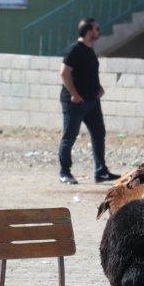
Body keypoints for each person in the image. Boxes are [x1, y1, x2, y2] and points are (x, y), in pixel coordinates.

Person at [57, 18, 120, 185]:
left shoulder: (89, 50)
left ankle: (101, 172)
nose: (99, 31)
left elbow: (87, 74)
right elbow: (64, 73)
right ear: (88, 31)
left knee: (99, 134)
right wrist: (74, 94)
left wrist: (99, 88)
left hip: (92, 102)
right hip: (75, 102)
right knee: (69, 137)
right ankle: (65, 172)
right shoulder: (74, 49)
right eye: (97, 28)